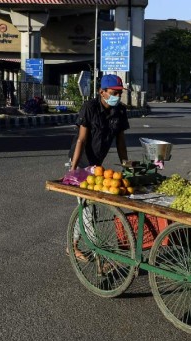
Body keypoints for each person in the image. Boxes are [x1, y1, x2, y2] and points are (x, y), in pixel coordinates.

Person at [66, 74, 130, 264]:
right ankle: (100, 254)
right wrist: (73, 168)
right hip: (82, 162)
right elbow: (81, 139)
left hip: (97, 166)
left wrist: (126, 163)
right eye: (114, 92)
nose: (117, 96)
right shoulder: (90, 108)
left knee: (86, 207)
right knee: (88, 209)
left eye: (119, 93)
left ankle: (73, 245)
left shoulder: (120, 111)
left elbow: (120, 141)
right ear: (102, 92)